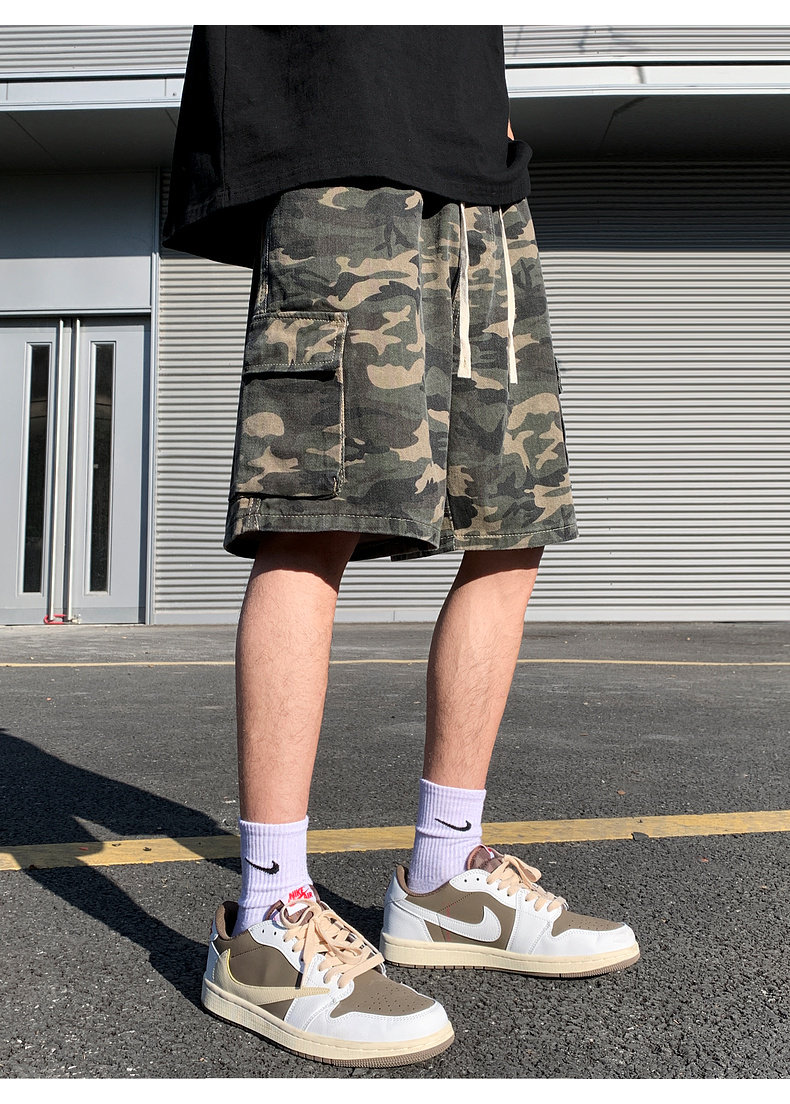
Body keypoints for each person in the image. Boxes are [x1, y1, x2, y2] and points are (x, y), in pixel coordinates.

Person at [164, 26, 639, 1069]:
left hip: (482, 182)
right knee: (311, 521)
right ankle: (267, 920)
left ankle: (445, 876)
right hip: (341, 148)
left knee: (512, 525)